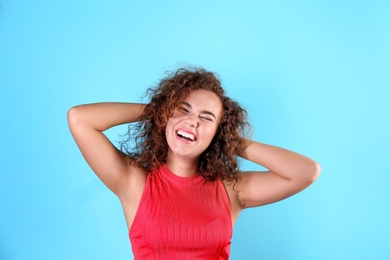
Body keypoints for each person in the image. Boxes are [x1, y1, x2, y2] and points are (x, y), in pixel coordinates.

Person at [67, 67, 321, 259]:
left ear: (217, 133)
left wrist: (229, 138)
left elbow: (306, 172)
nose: (192, 121)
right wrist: (160, 110)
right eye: (184, 109)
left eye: (206, 118)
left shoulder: (231, 190)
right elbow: (80, 118)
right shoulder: (134, 183)